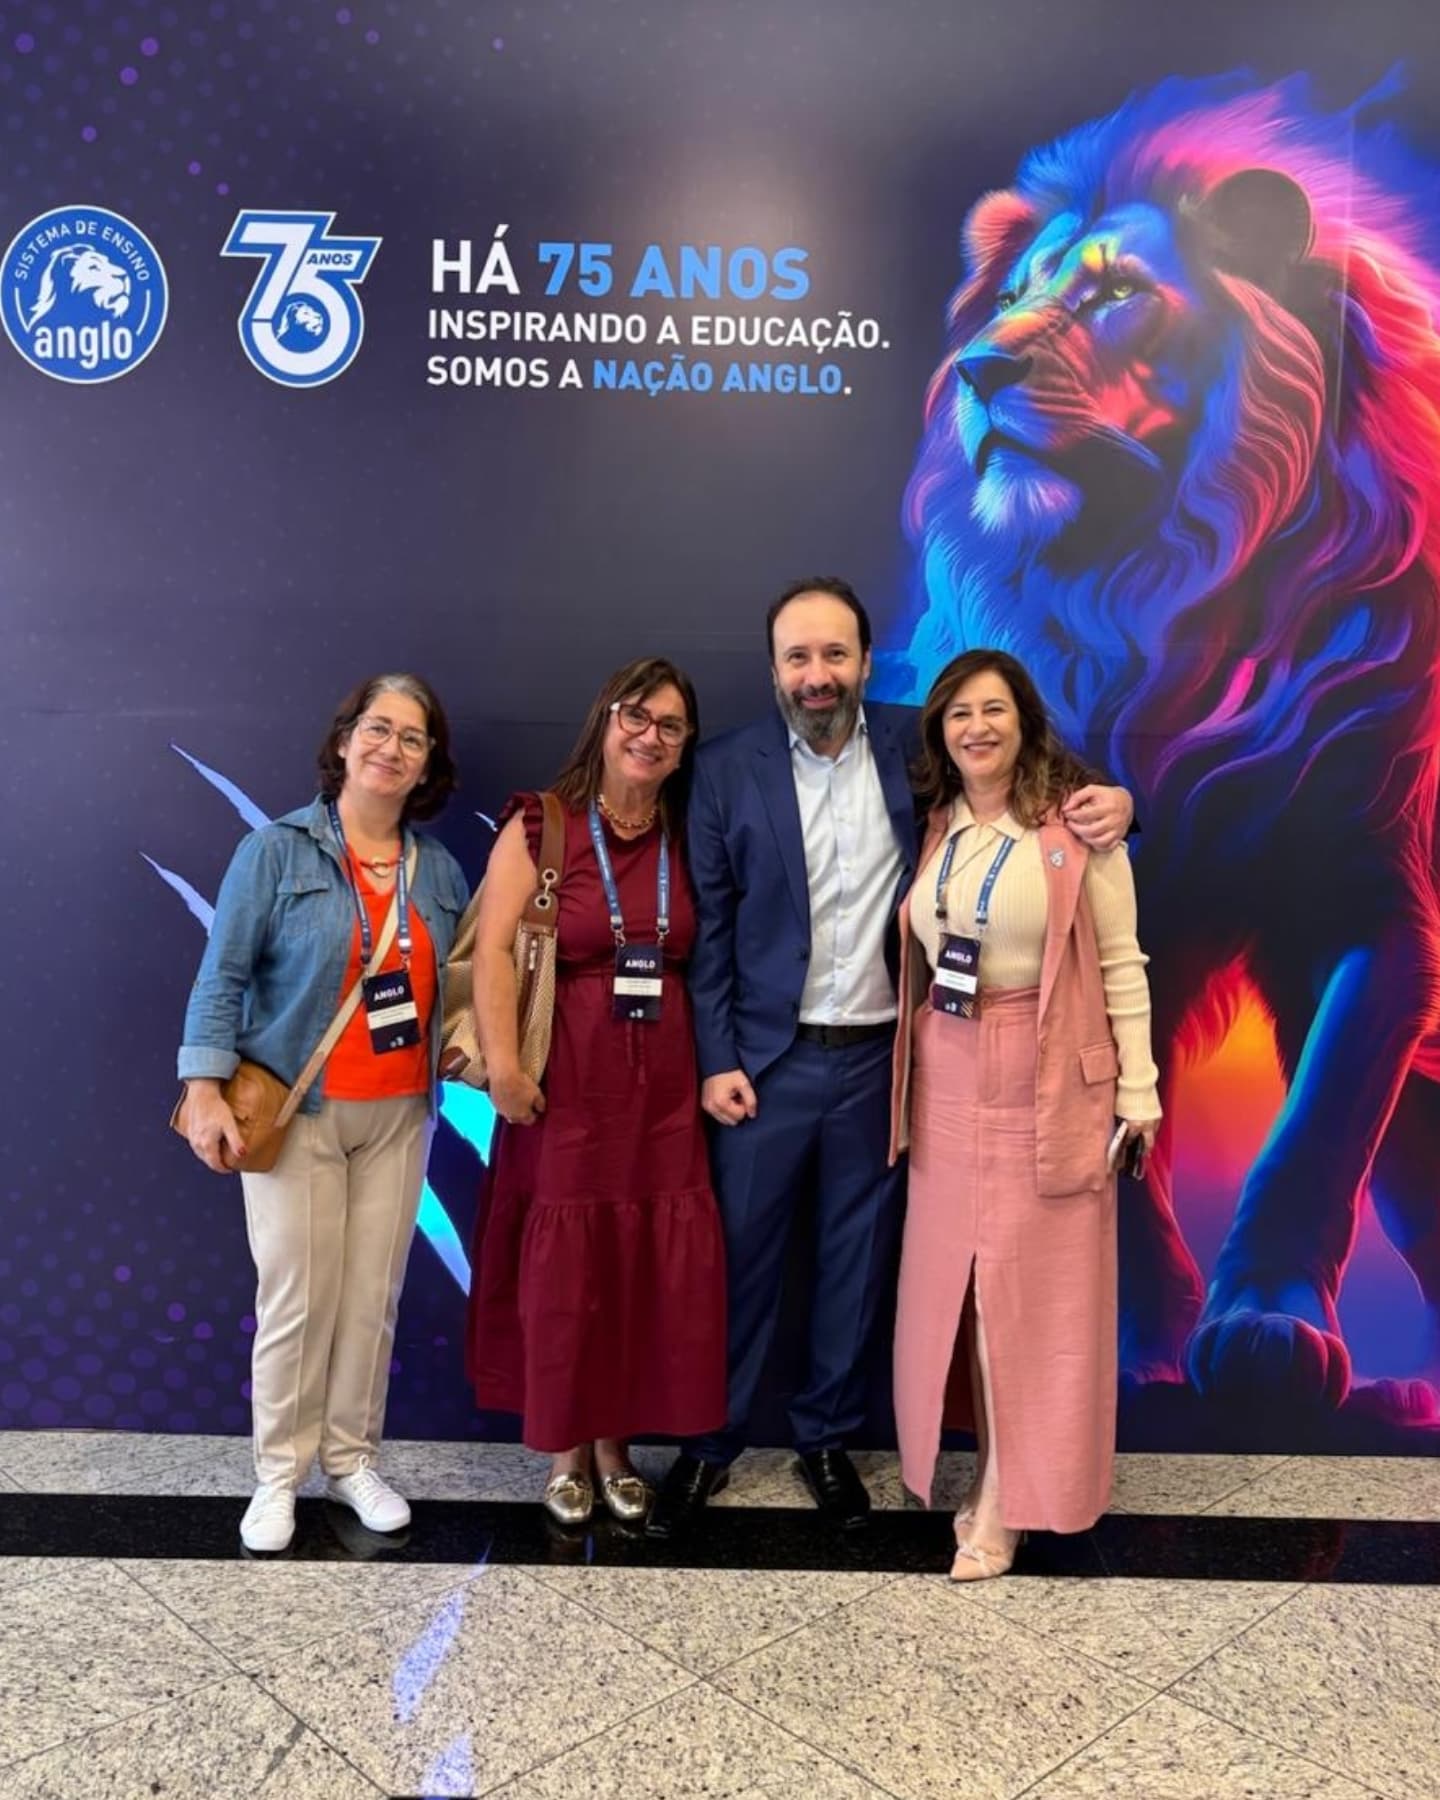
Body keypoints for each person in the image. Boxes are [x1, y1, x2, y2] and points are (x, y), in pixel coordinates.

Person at [647, 579, 1134, 1538]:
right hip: (765, 1065)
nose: (817, 675)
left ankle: (826, 1438)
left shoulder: (920, 742)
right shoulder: (727, 767)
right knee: (738, 1262)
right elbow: (712, 929)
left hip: (887, 1061)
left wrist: (1122, 803)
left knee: (855, 1263)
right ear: (774, 669)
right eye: (798, 657)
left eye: (835, 654)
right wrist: (716, 1057)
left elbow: (1039, 776)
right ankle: (708, 1444)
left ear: (867, 663)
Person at [177, 674, 470, 1553]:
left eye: (413, 738)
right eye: (378, 728)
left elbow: (458, 991)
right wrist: (203, 1087)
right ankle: (278, 1476)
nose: (392, 749)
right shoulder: (275, 852)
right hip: (298, 1111)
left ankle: (349, 1462)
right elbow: (222, 974)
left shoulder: (440, 870)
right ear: (344, 740)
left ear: (428, 765)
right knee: (297, 1300)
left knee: (371, 1300)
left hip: (399, 1118)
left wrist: (474, 1049)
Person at [890, 648, 1161, 1580]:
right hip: (946, 1072)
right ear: (940, 730)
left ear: (1024, 721)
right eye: (959, 713)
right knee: (964, 1291)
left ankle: (1010, 1496)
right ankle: (989, 1468)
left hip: (1045, 1073)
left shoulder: (1077, 828)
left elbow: (1123, 963)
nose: (977, 727)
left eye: (994, 709)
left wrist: (1139, 1090)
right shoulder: (940, 824)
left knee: (1030, 1294)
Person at [465, 657, 727, 1526]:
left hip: (663, 1097)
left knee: (638, 1269)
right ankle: (564, 1451)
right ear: (605, 720)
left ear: (685, 746)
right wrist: (505, 1069)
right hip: (564, 1086)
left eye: (670, 726)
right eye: (636, 716)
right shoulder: (542, 825)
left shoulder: (690, 832)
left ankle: (617, 1446)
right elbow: (493, 949)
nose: (650, 736)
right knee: (569, 1269)